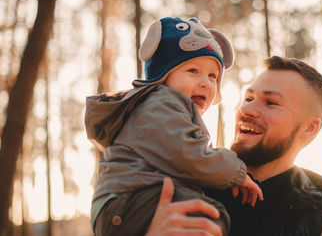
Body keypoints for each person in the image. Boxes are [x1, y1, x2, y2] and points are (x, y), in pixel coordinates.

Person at [85, 17, 263, 236]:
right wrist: (236, 172)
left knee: (208, 216)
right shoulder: (161, 102)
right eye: (193, 71)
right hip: (128, 202)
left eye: (213, 76)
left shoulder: (169, 109)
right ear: (163, 76)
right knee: (211, 215)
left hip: (126, 205)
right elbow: (188, 155)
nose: (206, 82)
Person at [146, 56, 322, 236]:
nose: (247, 110)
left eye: (271, 102)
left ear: (309, 128)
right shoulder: (172, 187)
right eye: (248, 98)